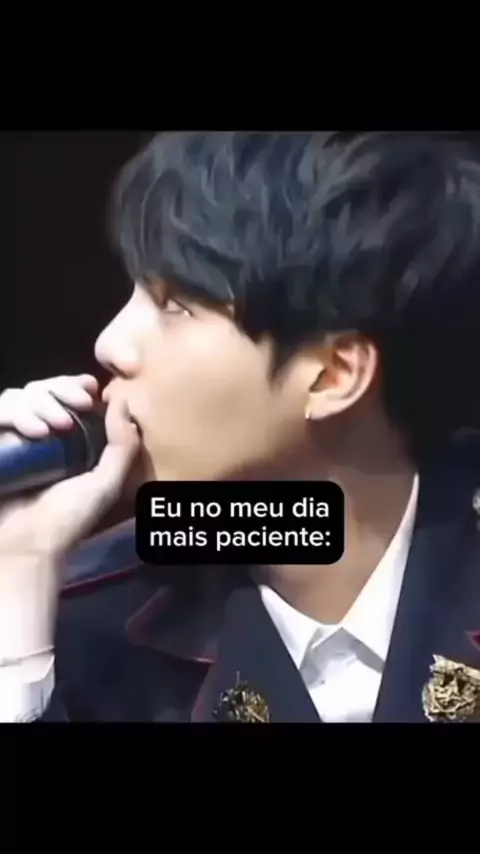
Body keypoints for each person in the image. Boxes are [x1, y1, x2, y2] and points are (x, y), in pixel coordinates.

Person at [2, 131, 480, 723]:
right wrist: (20, 566)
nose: (110, 344)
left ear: (333, 374)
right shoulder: (82, 615)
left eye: (175, 306)